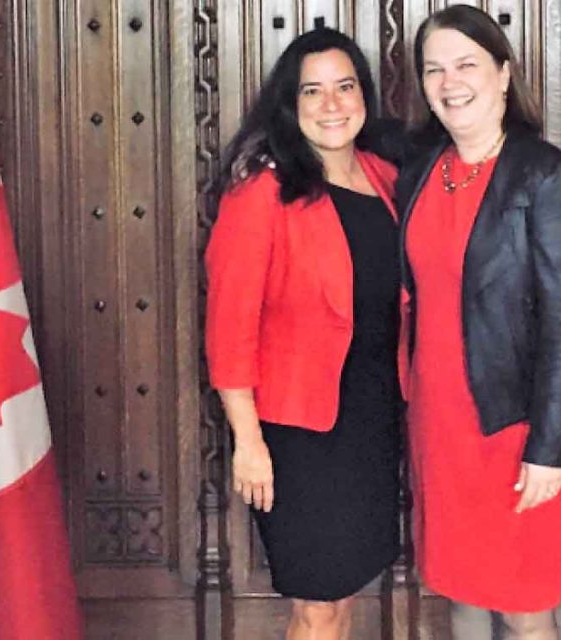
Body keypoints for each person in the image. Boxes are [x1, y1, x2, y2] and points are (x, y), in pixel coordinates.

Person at [396, 6, 561, 639]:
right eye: (434, 70)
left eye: (466, 65)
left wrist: (548, 447)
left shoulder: (546, 173)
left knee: (524, 602)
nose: (450, 82)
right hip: (441, 421)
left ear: (504, 74)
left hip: (517, 422)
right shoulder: (422, 169)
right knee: (461, 589)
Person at [205, 28, 402, 640]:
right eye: (311, 91)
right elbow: (229, 325)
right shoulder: (263, 191)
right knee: (315, 604)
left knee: (344, 595)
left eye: (345, 87)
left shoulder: (385, 176)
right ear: (289, 105)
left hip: (372, 421)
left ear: (364, 96)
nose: (331, 104)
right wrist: (248, 439)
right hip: (298, 435)